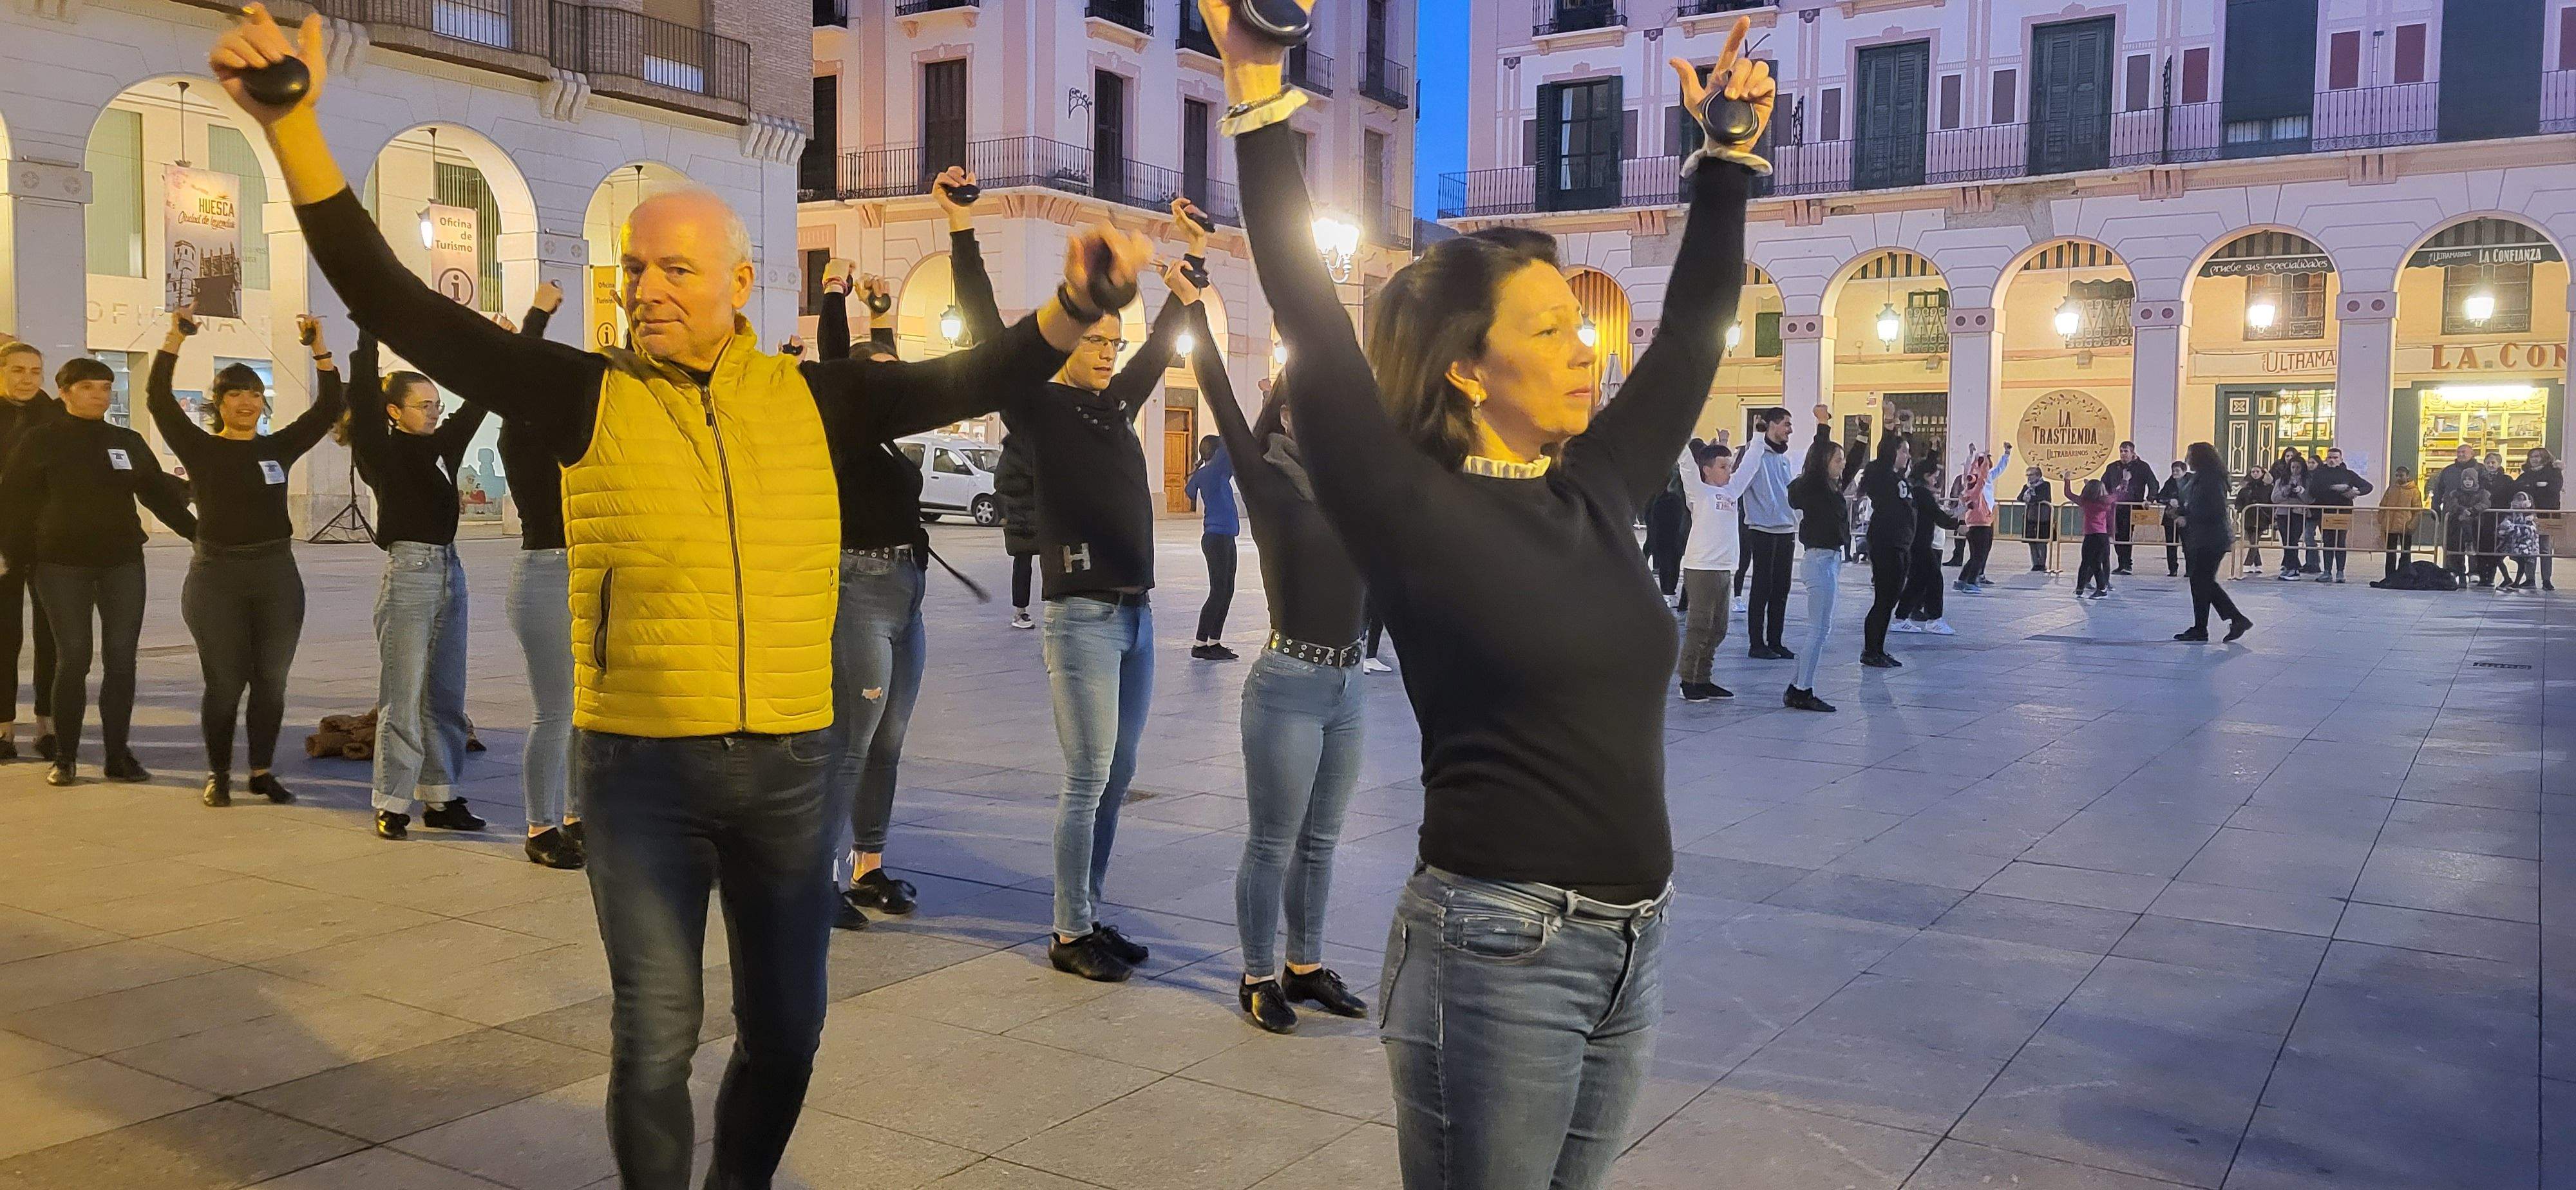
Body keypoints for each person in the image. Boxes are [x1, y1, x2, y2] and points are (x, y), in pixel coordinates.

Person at [210, 10, 1137, 1183]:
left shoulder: (818, 398)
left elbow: (980, 371)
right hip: (641, 770)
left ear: (742, 281)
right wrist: (296, 130)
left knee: (790, 1033)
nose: (645, 287)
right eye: (632, 268)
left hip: (795, 770)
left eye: (674, 269)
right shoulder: (581, 393)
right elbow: (399, 304)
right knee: (653, 1038)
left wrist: (1073, 306)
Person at [1214, 5, 1768, 1183]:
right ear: (1469, 363)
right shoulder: (1407, 508)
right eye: (1555, 327)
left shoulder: (1594, 488)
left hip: (1634, 942)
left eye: (1582, 327)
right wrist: (1260, 95)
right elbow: (1309, 312)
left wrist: (1722, 165)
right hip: (1497, 950)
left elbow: (1692, 347)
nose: (1588, 349)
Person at [1007, 199, 1202, 983]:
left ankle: (1088, 909)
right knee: (1087, 776)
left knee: (1118, 776)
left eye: (1112, 343)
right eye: (1095, 339)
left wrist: (1182, 271)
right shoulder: (1040, 408)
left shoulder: (1114, 406)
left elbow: (1159, 346)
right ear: (1067, 342)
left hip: (1137, 614)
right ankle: (1066, 930)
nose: (1107, 351)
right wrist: (960, 233)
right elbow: (1001, 343)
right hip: (1081, 618)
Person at [813, 170, 1007, 930]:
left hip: (907, 595)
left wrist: (882, 314)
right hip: (856, 592)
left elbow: (877, 365)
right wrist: (835, 300)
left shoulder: (886, 439)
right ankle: (817, 879)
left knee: (888, 741)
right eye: (882, 379)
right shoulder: (844, 427)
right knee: (852, 743)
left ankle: (870, 864)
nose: (899, 389)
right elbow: (841, 372)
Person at [1189, 319, 1372, 1035]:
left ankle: (1305, 965)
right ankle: (1258, 974)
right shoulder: (1268, 482)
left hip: (1349, 687)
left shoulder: (1356, 488)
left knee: (1322, 841)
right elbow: (1220, 398)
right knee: (1273, 840)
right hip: (1289, 683)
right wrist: (1194, 303)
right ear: (1290, 414)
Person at [148, 307, 343, 808]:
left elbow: (328, 409)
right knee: (224, 681)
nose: (247, 403)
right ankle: (218, 773)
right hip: (217, 576)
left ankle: (261, 771)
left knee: (272, 682)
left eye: (255, 394)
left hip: (276, 572)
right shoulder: (200, 448)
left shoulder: (278, 448)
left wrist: (319, 348)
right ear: (218, 403)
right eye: (235, 394)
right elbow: (157, 400)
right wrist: (175, 338)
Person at [0, 356, 198, 785]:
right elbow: (14, 503)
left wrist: (200, 536)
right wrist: (11, 555)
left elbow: (157, 495)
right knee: (73, 659)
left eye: (106, 388)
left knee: (122, 661)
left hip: (123, 562)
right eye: (89, 387)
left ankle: (117, 754)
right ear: (66, 391)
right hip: (60, 565)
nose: (99, 396)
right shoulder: (40, 440)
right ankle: (65, 757)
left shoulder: (126, 441)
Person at [344, 332, 488, 840]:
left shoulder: (442, 447)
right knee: (401, 696)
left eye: (436, 405)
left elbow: (480, 398)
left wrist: (520, 330)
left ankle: (443, 798)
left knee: (445, 695)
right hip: (409, 574)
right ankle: (391, 801)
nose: (433, 413)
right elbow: (360, 395)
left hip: (451, 571)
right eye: (422, 406)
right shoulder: (380, 452)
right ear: (393, 411)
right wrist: (366, 329)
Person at [491, 283, 587, 867]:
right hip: (546, 575)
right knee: (554, 711)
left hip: (584, 573)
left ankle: (578, 817)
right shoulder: (521, 433)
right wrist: (536, 318)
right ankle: (539, 827)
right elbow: (519, 377)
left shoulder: (569, 435)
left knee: (585, 710)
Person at [0, 341, 59, 763]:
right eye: (18, 370)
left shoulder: (57, 416)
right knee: (4, 636)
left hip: (49, 543)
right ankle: (3, 727)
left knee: (53, 636)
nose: (27, 379)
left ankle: (48, 725)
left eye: (35, 371)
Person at [1723, 405, 1799, 659]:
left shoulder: (1783, 459)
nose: (1790, 430)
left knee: (1782, 588)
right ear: (1773, 425)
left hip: (1786, 530)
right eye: (1786, 424)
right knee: (1761, 587)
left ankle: (1776, 641)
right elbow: (1740, 482)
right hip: (1762, 530)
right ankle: (1757, 643)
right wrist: (1757, 438)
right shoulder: (1755, 455)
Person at [1785, 408, 1845, 711]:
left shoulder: (1831, 489)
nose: (1843, 465)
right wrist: (1823, 427)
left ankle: (1798, 685)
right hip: (1819, 562)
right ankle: (1802, 691)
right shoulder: (1814, 485)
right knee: (1818, 629)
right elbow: (1815, 470)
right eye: (1837, 459)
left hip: (1829, 561)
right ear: (1823, 462)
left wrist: (1867, 432)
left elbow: (1856, 461)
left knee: (1820, 628)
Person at [1673, 438, 1740, 701]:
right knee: (1700, 626)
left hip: (1725, 568)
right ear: (1707, 470)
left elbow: (1749, 469)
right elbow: (1686, 464)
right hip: (1701, 568)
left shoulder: (1732, 491)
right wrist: (1682, 428)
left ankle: (1704, 678)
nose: (1729, 471)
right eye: (1723, 466)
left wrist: (1759, 437)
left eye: (1730, 466)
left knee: (1719, 628)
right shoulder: (1699, 493)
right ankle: (1688, 680)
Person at [2174, 441, 2254, 642]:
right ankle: (2208, 626)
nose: (2186, 459)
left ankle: (2232, 619)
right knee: (2201, 581)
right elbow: (2196, 504)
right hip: (2204, 536)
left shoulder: (2211, 480)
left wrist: (2188, 516)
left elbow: (2214, 509)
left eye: (2189, 455)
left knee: (2202, 581)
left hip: (2211, 538)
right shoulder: (2201, 478)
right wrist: (2182, 511)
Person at [1859, 430, 1915, 668]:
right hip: (1886, 543)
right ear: (1892, 453)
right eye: (1903, 451)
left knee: (1891, 598)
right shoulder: (1881, 475)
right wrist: (1890, 425)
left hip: (1901, 544)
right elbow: (1883, 454)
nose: (1907, 456)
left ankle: (1879, 648)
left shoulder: (1897, 477)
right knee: (1883, 599)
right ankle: (1871, 650)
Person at [1185, 433, 1242, 660]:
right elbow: (1230, 445)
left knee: (1226, 590)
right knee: (1219, 591)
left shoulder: (1208, 473)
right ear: (1217, 454)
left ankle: (1214, 641)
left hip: (1224, 537)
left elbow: (1190, 490)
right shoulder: (1214, 472)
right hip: (1216, 539)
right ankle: (1200, 644)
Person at [1895, 455, 1957, 634]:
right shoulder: (1922, 494)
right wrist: (1958, 526)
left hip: (1913, 543)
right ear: (1925, 475)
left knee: (1917, 581)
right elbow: (1938, 516)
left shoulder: (1912, 490)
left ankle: (1901, 618)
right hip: (1920, 544)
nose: (1936, 479)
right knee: (1935, 579)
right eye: (1934, 476)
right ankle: (1934, 619)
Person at [2306, 446, 2373, 584]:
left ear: (2341, 459)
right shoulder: (2320, 474)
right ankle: (2327, 572)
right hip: (2325, 513)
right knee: (2328, 542)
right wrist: (2333, 488)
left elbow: (2368, 486)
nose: (2332, 460)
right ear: (2326, 459)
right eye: (2330, 457)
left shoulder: (2348, 474)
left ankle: (2341, 572)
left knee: (2340, 542)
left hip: (2343, 513)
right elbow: (2313, 491)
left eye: (2335, 458)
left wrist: (2355, 492)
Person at [1954, 443, 2009, 590]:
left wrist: (1973, 457)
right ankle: (1971, 581)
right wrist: (1980, 458)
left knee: (1975, 555)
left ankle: (1962, 580)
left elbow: (1969, 472)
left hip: (1975, 522)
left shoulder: (1968, 487)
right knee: (1979, 555)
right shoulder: (1978, 486)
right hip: (1981, 523)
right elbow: (1981, 476)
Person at [998, 429, 1039, 628]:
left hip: (1033, 516)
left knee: (1051, 561)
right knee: (1023, 563)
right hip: (1021, 518)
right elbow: (1001, 483)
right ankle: (1020, 612)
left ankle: (1052, 608)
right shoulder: (1015, 451)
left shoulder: (1035, 445)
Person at [2101, 442, 2157, 574]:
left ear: (2132, 452)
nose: (2123, 454)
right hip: (2115, 506)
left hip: (2132, 506)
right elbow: (2103, 484)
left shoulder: (2143, 467)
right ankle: (2122, 563)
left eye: (2126, 451)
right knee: (2116, 535)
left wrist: (2149, 499)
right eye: (2121, 451)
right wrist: (2105, 499)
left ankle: (2127, 563)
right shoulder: (2113, 467)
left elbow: (2153, 484)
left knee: (2126, 534)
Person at [1642, 465, 1689, 604]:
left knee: (1668, 558)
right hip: (1672, 514)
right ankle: (1669, 593)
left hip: (1668, 513)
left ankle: (1668, 593)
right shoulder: (1676, 471)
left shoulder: (1670, 471)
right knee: (1671, 558)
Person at [2520, 448, 2560, 590]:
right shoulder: (2526, 474)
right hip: (2529, 515)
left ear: (2545, 458)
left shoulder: (2554, 473)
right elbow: (2519, 489)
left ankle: (2546, 580)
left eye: (2537, 456)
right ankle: (2530, 579)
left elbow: (2554, 490)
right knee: (2529, 547)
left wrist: (2535, 489)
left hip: (2547, 515)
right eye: (2532, 456)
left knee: (2545, 548)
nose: (2534, 459)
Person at [2443, 468, 2492, 583]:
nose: (2468, 482)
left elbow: (2486, 504)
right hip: (2457, 526)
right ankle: (2458, 571)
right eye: (2465, 479)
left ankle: (2474, 572)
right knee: (2456, 549)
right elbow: (2452, 505)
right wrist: (2463, 510)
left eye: (2470, 479)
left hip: (2476, 526)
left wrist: (2473, 510)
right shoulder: (2455, 493)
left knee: (2475, 550)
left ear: (2475, 480)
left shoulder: (2483, 493)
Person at [2072, 473, 2114, 599]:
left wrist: (2067, 480)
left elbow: (2068, 494)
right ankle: (2102, 587)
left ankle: (2081, 588)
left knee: (2085, 561)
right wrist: (2124, 483)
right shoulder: (2105, 503)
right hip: (2102, 535)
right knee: (2098, 562)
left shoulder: (2085, 502)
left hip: (2089, 535)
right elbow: (2117, 494)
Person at [2271, 452, 2311, 581]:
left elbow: (2310, 499)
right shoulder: (2281, 481)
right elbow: (2274, 498)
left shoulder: (2307, 481)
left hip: (2299, 513)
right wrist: (2286, 490)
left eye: (2298, 468)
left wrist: (2301, 491)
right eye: (2293, 467)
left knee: (2294, 540)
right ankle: (2289, 567)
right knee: (2286, 541)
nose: (2295, 470)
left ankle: (2294, 569)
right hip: (2284, 513)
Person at [2380, 466, 2423, 580]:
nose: (2399, 478)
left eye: (2402, 475)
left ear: (2408, 476)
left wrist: (2411, 526)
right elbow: (2383, 504)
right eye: (2397, 475)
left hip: (2406, 526)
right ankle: (2389, 576)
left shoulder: (2414, 491)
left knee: (2405, 552)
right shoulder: (2392, 489)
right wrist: (2382, 520)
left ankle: (2405, 574)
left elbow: (2417, 510)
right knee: (2390, 553)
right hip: (2391, 525)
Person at [2499, 492, 2542, 591]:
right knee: (2498, 558)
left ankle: (2516, 583)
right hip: (2512, 543)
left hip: (2525, 545)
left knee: (2522, 562)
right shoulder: (2512, 514)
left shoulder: (2530, 516)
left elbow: (2530, 530)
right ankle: (2507, 579)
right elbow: (2504, 525)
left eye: (2520, 500)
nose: (2516, 502)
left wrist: (2514, 529)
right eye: (2515, 500)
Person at [2236, 467, 2273, 575]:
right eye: (2253, 472)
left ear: (2263, 473)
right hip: (2248, 517)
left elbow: (2271, 502)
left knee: (2254, 541)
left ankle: (2248, 564)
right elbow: (2239, 500)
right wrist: (2240, 509)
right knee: (2253, 541)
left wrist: (2271, 517)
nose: (2255, 474)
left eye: (2258, 472)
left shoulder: (2268, 487)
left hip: (2262, 518)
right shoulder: (2246, 487)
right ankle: (2258, 565)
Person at [2016, 462, 2052, 572]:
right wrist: (2027, 497)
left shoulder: (2045, 485)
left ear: (2038, 475)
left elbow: (2044, 497)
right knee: (2031, 540)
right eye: (2028, 475)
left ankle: (2042, 563)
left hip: (2043, 517)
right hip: (2031, 516)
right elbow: (2019, 498)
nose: (2029, 477)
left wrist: (2031, 499)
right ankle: (2035, 563)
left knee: (2042, 540)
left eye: (2031, 475)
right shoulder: (2026, 487)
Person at [2155, 458, 2187, 576]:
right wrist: (2169, 500)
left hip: (2186, 518)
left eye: (2177, 471)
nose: (2174, 473)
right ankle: (2173, 569)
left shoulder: (2191, 483)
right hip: (2170, 518)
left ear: (2184, 471)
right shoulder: (2170, 483)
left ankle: (2190, 570)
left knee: (2188, 545)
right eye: (2173, 471)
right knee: (2170, 545)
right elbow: (2160, 497)